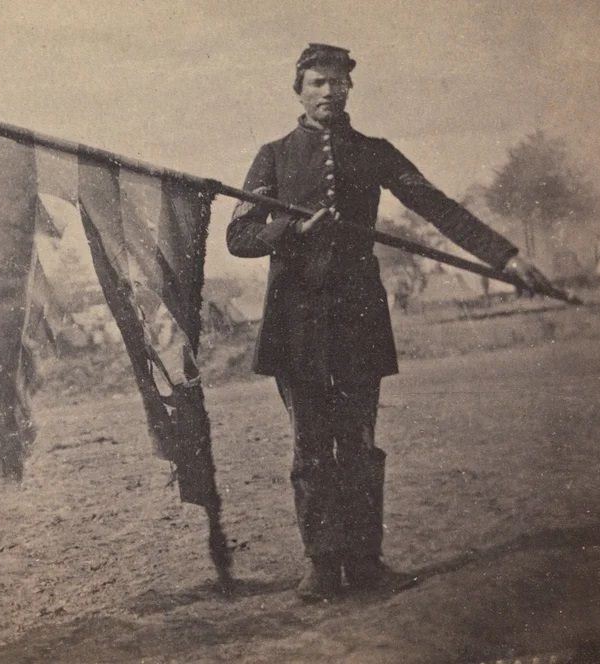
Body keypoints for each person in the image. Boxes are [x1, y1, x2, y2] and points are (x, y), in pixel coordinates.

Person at [226, 43, 553, 602]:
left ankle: (366, 563)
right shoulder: (273, 157)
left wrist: (506, 257)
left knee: (359, 443)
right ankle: (323, 565)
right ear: (298, 91)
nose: (329, 91)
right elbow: (238, 238)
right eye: (316, 83)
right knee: (310, 446)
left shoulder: (374, 152)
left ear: (351, 89)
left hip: (358, 318)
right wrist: (287, 232)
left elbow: (438, 207)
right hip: (297, 321)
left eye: (338, 82)